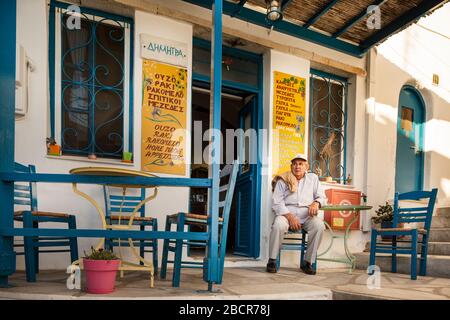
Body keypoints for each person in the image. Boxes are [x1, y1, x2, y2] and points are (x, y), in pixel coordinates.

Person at [267, 153, 327, 275]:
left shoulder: (313, 179)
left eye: (300, 164)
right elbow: (276, 202)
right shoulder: (282, 179)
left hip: (307, 216)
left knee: (319, 226)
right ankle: (272, 260)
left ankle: (308, 262)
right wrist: (289, 217)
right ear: (291, 166)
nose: (297, 166)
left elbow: (322, 197)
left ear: (307, 167)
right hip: (286, 215)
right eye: (294, 164)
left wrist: (316, 203)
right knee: (278, 224)